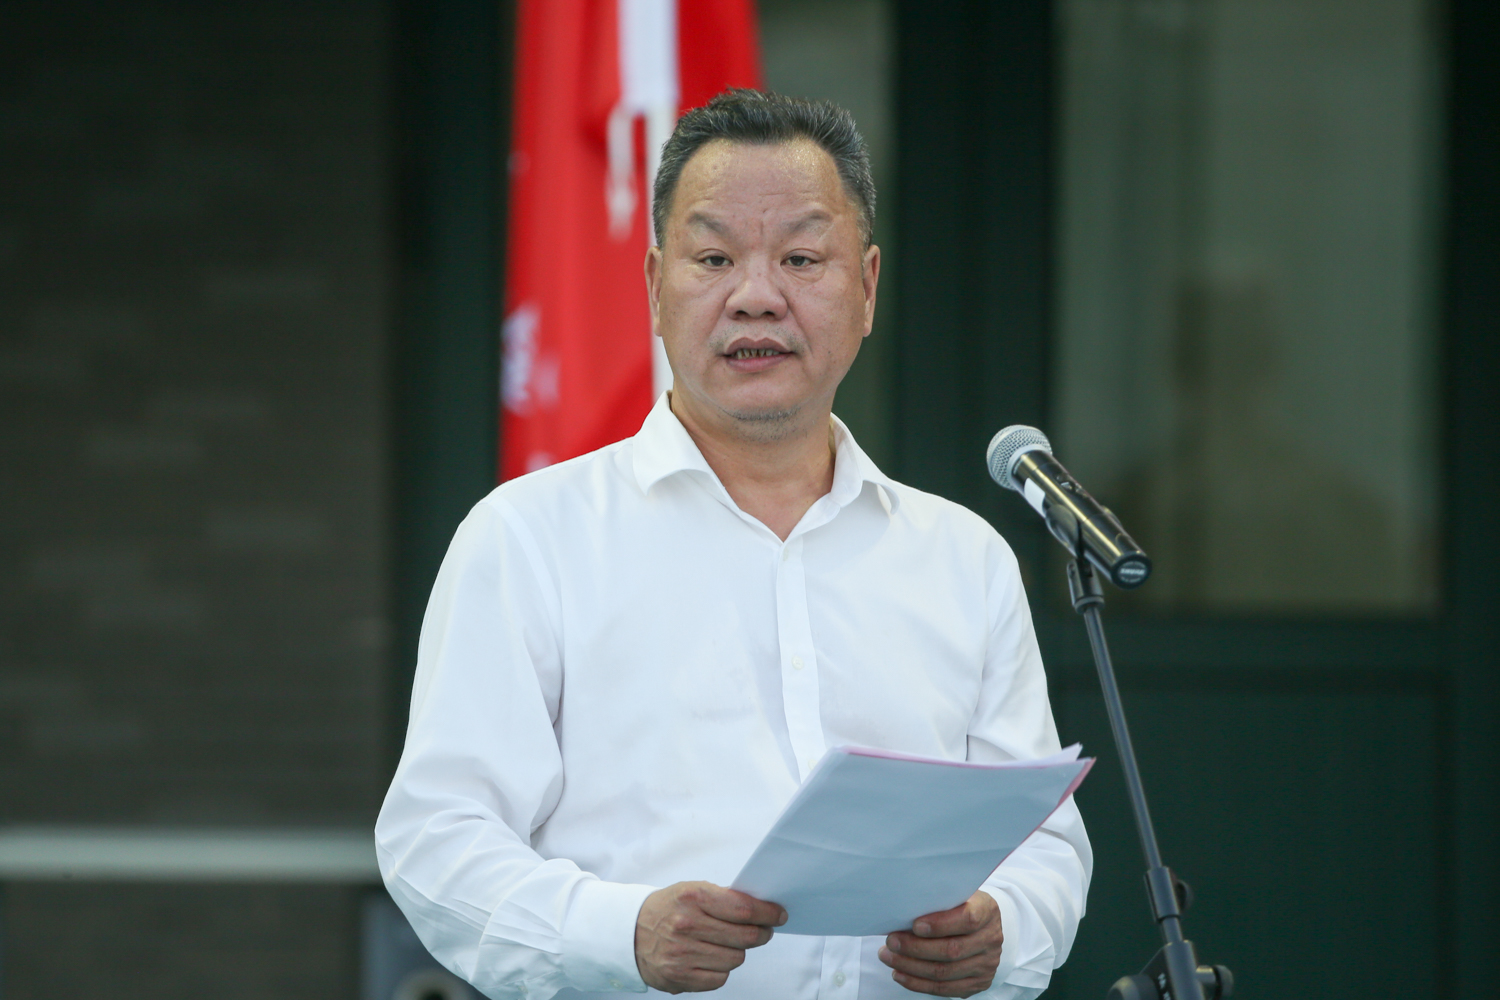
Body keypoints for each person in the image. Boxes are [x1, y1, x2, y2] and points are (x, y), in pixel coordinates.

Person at [376, 90, 1090, 1000]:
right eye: (714, 258)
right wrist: (620, 933)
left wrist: (1004, 929)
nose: (756, 297)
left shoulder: (964, 559)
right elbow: (437, 837)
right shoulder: (530, 538)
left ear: (868, 288)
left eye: (802, 258)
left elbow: (1042, 841)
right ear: (655, 286)